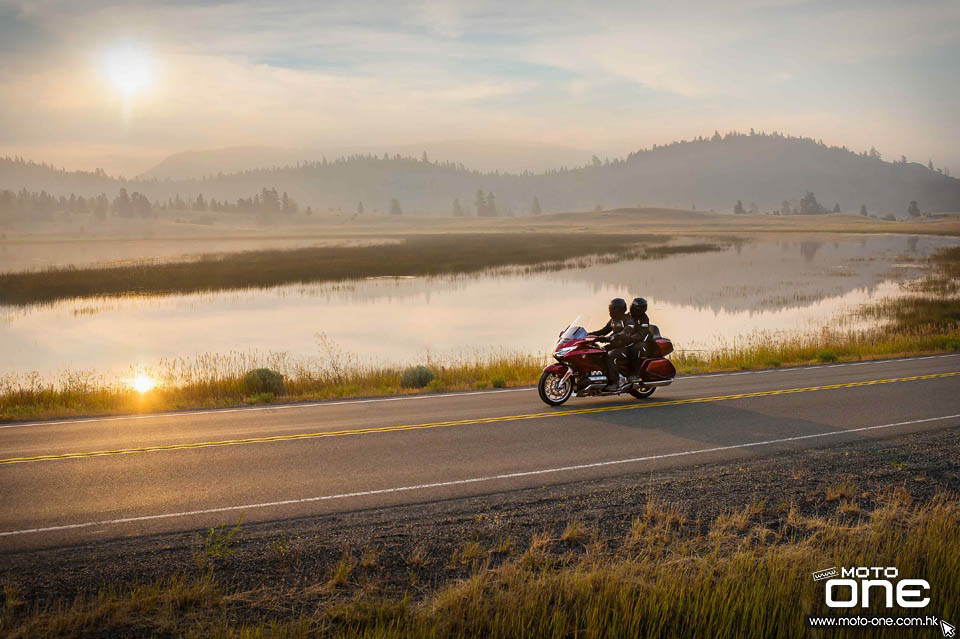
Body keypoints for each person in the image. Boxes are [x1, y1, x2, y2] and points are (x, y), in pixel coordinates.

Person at [589, 298, 634, 390]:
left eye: (612, 309)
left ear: (618, 310)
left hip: (627, 347)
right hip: (615, 345)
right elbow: (603, 331)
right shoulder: (613, 320)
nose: (610, 311)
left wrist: (612, 337)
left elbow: (626, 332)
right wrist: (587, 334)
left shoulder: (628, 320)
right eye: (610, 309)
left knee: (610, 355)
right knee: (599, 352)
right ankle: (601, 378)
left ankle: (615, 382)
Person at [626, 297, 653, 378]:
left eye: (636, 306)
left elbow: (642, 333)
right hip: (631, 339)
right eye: (633, 305)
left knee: (635, 349)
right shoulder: (628, 316)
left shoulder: (644, 319)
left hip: (643, 341)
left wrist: (631, 338)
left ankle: (635, 374)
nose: (633, 307)